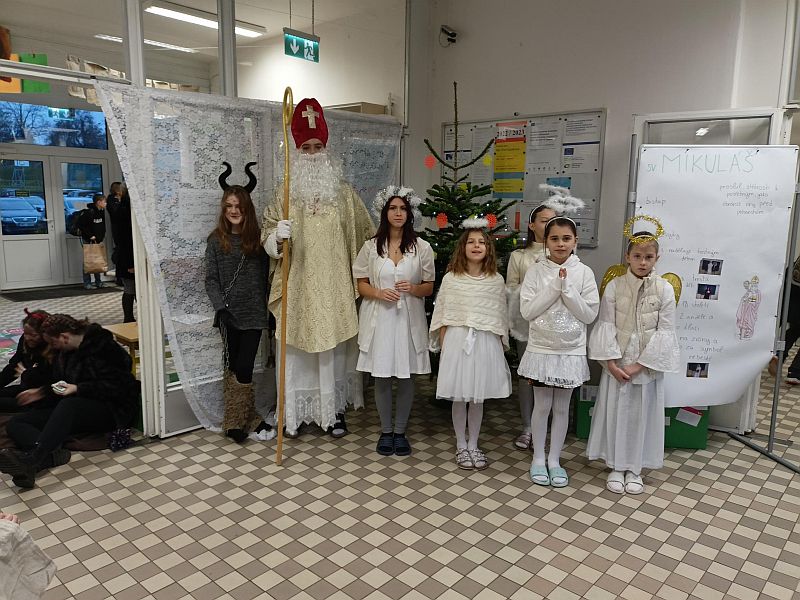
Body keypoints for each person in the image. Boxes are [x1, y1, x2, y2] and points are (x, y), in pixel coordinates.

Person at [261, 98, 374, 438]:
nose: (312, 154)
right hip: (298, 287)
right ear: (297, 151)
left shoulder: (344, 195)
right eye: (306, 148)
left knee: (332, 355)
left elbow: (364, 236)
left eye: (317, 146)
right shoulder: (284, 194)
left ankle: (333, 413)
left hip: (333, 289)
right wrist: (276, 238)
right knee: (295, 354)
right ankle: (291, 414)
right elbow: (267, 235)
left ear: (327, 148)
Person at [586, 225, 680, 495]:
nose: (642, 262)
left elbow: (665, 331)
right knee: (617, 412)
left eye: (648, 257)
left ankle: (635, 468)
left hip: (646, 365)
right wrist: (612, 364)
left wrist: (639, 365)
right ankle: (616, 465)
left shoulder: (664, 289)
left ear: (657, 258)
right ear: (627, 256)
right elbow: (605, 324)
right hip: (617, 362)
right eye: (637, 256)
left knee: (642, 416)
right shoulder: (615, 286)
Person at [0, 314, 139, 488]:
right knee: (17, 422)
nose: (51, 347)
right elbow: (60, 383)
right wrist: (41, 392)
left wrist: (78, 388)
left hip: (111, 409)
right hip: (77, 407)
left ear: (64, 337)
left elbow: (121, 387)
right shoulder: (65, 352)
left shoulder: (104, 348)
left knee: (69, 405)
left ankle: (33, 459)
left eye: (53, 343)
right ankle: (49, 456)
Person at [353, 186, 434, 456]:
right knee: (382, 376)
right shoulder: (370, 247)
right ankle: (386, 431)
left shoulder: (422, 247)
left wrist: (414, 288)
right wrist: (378, 292)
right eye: (393, 208)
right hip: (380, 319)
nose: (398, 213)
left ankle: (400, 432)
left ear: (410, 213)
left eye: (403, 209)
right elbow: (361, 284)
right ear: (384, 212)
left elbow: (429, 286)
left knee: (407, 376)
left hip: (408, 318)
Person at [519, 216, 599, 488]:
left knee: (562, 408)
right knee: (542, 406)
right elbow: (527, 311)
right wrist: (555, 287)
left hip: (570, 351)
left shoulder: (584, 273)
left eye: (566, 238)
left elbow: (589, 314)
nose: (560, 244)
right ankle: (538, 459)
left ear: (575, 241)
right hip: (542, 349)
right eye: (554, 238)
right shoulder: (535, 271)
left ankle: (555, 460)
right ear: (546, 241)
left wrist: (567, 289)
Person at [429, 222, 511, 471]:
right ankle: (461, 444)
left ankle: (474, 444)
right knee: (459, 396)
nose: (477, 246)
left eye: (482, 242)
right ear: (462, 247)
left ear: (488, 248)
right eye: (471, 242)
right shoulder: (451, 279)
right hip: (457, 341)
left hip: (485, 343)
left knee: (478, 398)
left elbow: (499, 317)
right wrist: (444, 347)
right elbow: (444, 315)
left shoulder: (495, 280)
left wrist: (499, 347)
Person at [205, 170, 272, 444]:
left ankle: (238, 419)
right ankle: (238, 419)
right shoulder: (215, 240)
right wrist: (220, 309)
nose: (234, 211)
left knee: (245, 367)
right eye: (229, 206)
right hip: (229, 315)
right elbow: (211, 279)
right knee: (233, 367)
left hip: (254, 313)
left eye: (239, 206)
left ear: (247, 210)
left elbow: (268, 278)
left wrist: (270, 311)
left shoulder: (257, 241)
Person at [506, 204, 556, 450]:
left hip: (555, 326)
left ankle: (546, 428)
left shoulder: (561, 252)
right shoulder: (519, 256)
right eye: (544, 220)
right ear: (532, 225)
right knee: (528, 375)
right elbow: (511, 290)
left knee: (551, 376)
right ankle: (527, 426)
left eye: (553, 220)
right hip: (527, 323)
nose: (549, 225)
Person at [0, 309, 51, 410]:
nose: (27, 338)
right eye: (25, 333)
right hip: (27, 387)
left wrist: (27, 374)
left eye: (33, 335)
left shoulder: (52, 351)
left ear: (45, 334)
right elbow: (14, 367)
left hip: (42, 395)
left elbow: (49, 380)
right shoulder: (25, 342)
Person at [110, 184, 137, 322]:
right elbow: (126, 242)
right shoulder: (125, 214)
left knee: (131, 289)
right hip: (128, 258)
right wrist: (130, 264)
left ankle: (130, 318)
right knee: (131, 289)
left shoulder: (119, 210)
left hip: (125, 257)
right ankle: (128, 318)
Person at [78, 193, 107, 289]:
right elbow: (81, 225)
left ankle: (98, 281)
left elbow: (101, 226)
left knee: (97, 259)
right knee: (88, 260)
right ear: (98, 202)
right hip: (88, 239)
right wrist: (90, 235)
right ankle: (87, 283)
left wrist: (101, 236)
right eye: (104, 201)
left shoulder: (101, 212)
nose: (105, 203)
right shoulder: (89, 213)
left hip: (98, 240)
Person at [106, 181, 124, 286]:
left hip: (122, 228)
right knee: (120, 252)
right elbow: (115, 212)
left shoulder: (122, 199)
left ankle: (122, 276)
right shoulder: (111, 199)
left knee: (123, 252)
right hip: (118, 229)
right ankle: (119, 277)